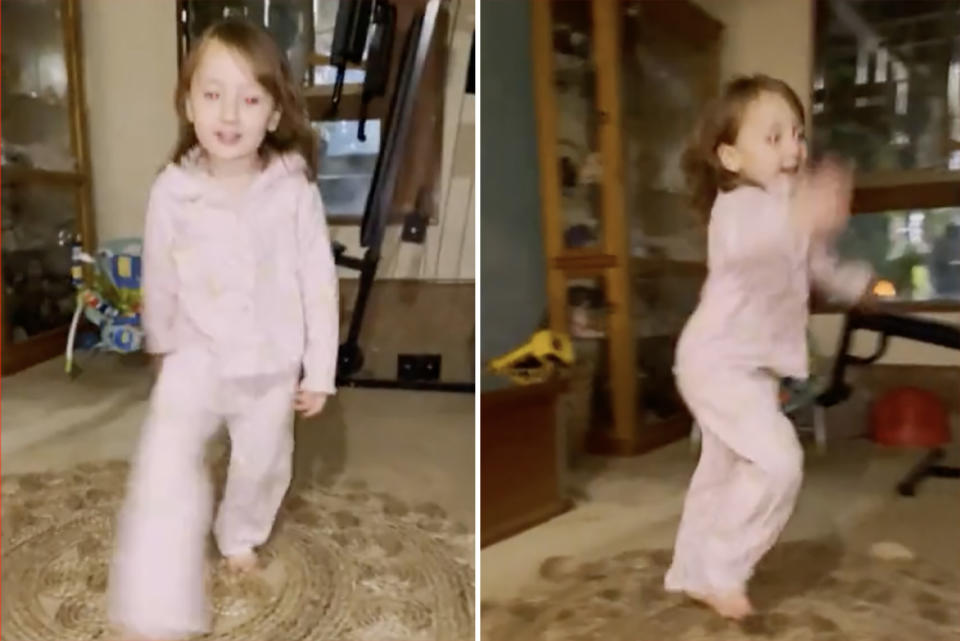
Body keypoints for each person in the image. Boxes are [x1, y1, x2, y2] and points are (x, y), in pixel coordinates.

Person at [107, 18, 338, 640]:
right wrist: (161, 341)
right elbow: (159, 273)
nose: (229, 113)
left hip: (270, 365)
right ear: (187, 103)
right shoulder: (173, 191)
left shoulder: (293, 190)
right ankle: (157, 593)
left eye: (250, 97)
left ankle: (239, 537)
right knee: (166, 453)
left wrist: (319, 370)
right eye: (212, 93)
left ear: (274, 112)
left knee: (262, 464)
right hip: (196, 355)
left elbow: (318, 283)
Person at [664, 74, 874, 619]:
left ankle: (691, 571)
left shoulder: (789, 208)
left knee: (722, 469)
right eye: (774, 137)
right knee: (780, 462)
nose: (793, 149)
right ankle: (723, 568)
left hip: (749, 370)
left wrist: (858, 284)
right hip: (714, 361)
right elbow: (757, 245)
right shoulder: (737, 208)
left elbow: (814, 264)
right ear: (730, 157)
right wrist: (804, 213)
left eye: (798, 135)